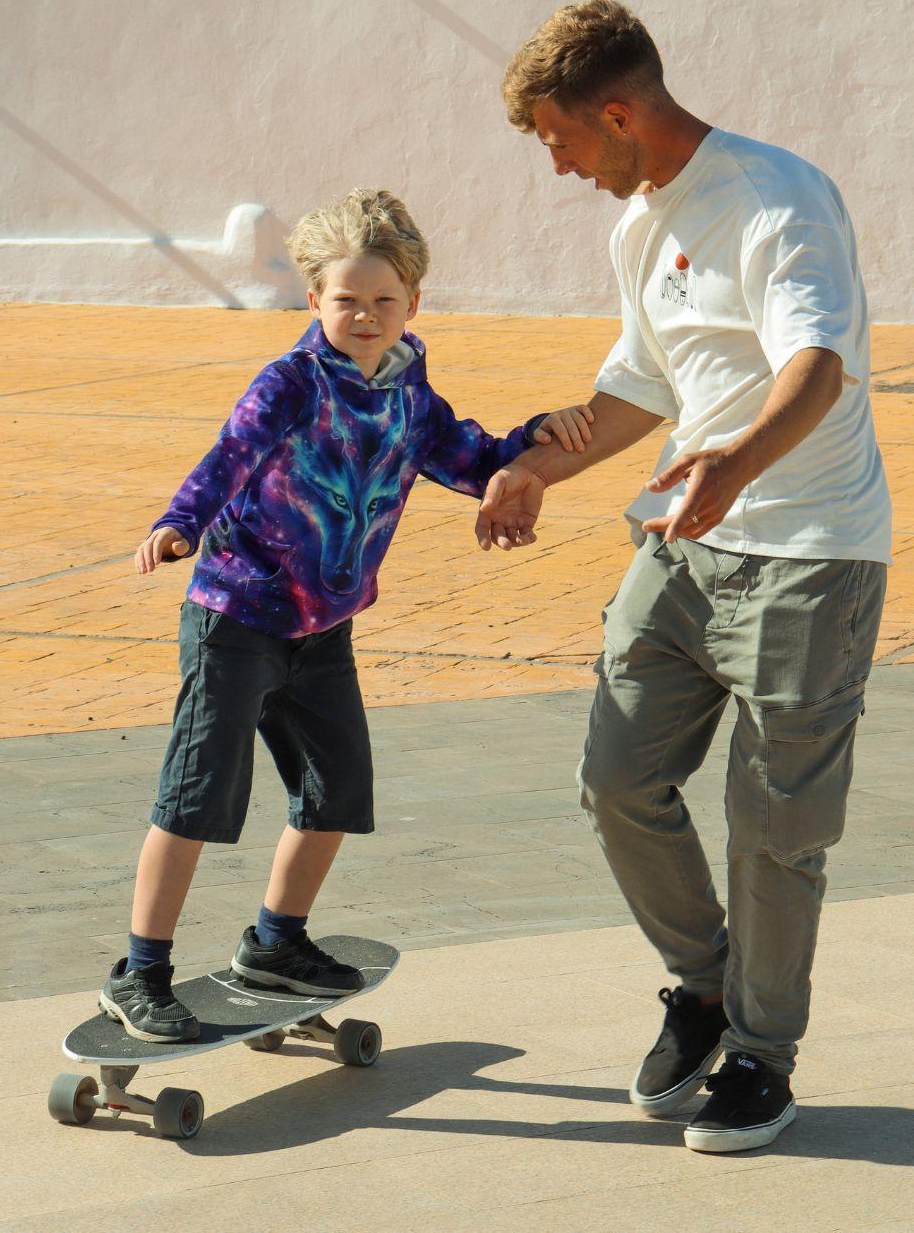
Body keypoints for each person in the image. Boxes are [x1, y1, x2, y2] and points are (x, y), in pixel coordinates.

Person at [478, 0, 891, 1153]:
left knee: (776, 825)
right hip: (681, 544)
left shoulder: (778, 198)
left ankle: (762, 1053)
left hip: (810, 553)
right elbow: (640, 386)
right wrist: (534, 470)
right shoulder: (639, 226)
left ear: (618, 114)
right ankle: (704, 987)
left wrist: (739, 461)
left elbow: (818, 365)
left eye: (559, 140)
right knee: (617, 779)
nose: (557, 166)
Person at [100, 188, 592, 1043]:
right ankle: (139, 973)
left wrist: (530, 444)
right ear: (313, 300)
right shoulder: (290, 382)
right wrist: (179, 522)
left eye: (383, 302)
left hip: (324, 628)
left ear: (413, 304)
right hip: (237, 619)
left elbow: (463, 455)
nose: (364, 317)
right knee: (197, 798)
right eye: (345, 301)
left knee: (336, 792)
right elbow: (229, 456)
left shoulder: (407, 386)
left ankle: (275, 945)